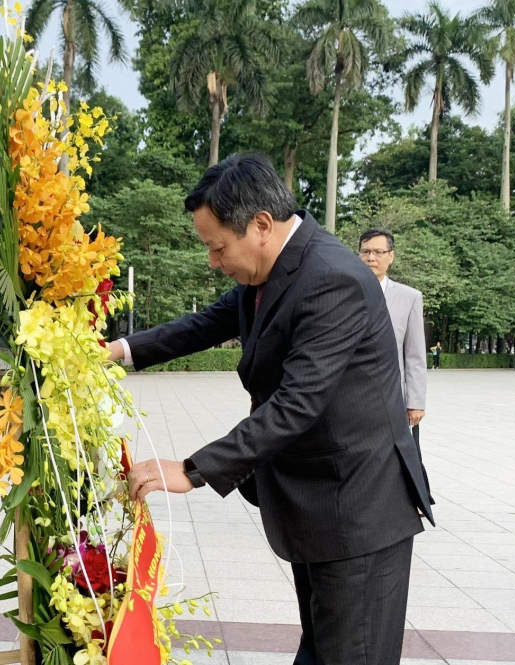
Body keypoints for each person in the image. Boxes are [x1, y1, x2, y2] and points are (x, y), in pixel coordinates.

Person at [111, 153, 434, 665]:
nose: (213, 262)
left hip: (357, 512)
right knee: (322, 651)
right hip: (319, 503)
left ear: (260, 225)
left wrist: (192, 470)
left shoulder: (332, 278)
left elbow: (296, 404)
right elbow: (205, 325)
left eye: (217, 247)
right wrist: (117, 352)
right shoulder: (273, 268)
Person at [360, 229, 432, 502]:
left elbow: (414, 354)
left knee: (397, 455)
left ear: (391, 256)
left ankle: (403, 503)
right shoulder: (345, 290)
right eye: (366, 251)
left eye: (378, 252)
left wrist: (415, 401)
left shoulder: (409, 297)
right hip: (354, 394)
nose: (371, 257)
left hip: (393, 395)